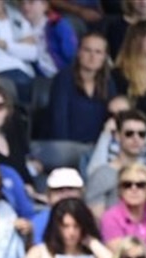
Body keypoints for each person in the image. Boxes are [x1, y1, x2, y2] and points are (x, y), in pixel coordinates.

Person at [45, 32, 116, 170]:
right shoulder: (64, 78)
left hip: (98, 149)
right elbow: (59, 120)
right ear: (79, 52)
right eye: (87, 50)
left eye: (98, 52)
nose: (92, 56)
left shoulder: (108, 82)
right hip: (67, 148)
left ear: (104, 57)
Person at [85, 109, 146, 215]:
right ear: (117, 136)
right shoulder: (101, 175)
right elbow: (97, 219)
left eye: (141, 134)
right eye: (129, 133)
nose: (136, 138)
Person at [31, 167, 85, 244]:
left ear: (81, 193)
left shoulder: (89, 218)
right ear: (49, 195)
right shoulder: (39, 222)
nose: (65, 194)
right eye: (59, 190)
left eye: (70, 189)